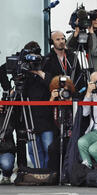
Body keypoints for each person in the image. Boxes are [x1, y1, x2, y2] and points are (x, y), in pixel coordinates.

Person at [20, 41, 56, 169]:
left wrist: (39, 72)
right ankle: (38, 172)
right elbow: (21, 89)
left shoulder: (47, 65)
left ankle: (47, 172)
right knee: (33, 147)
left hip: (45, 115)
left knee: (48, 147)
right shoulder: (24, 71)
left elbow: (52, 84)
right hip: (30, 115)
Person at [67, 9, 97, 77]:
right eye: (93, 18)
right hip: (92, 74)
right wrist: (76, 32)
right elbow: (69, 49)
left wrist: (91, 32)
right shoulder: (88, 36)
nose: (96, 20)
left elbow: (96, 51)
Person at [47, 75, 75, 175]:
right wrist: (52, 99)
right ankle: (54, 174)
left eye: (66, 90)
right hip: (59, 133)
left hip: (72, 134)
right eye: (60, 90)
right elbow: (46, 116)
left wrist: (70, 101)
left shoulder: (74, 99)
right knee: (53, 148)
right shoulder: (55, 101)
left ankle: (68, 174)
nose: (63, 93)